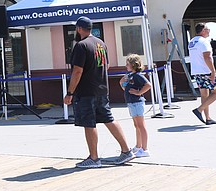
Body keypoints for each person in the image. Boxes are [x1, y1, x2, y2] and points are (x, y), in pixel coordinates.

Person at [63, 16, 134, 168]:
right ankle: (126, 150)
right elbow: (106, 66)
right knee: (108, 119)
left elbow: (77, 71)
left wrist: (70, 93)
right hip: (102, 89)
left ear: (79, 29)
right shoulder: (101, 44)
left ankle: (94, 158)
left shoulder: (81, 45)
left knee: (89, 123)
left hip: (86, 91)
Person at [120, 54, 151, 157]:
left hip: (137, 102)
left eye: (128, 64)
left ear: (133, 64)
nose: (126, 66)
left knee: (141, 125)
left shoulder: (138, 75)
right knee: (136, 125)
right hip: (131, 102)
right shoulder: (130, 75)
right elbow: (125, 88)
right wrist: (122, 83)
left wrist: (139, 92)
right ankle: (138, 145)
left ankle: (145, 148)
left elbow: (148, 85)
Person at [190, 23, 216, 125]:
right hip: (206, 71)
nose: (209, 31)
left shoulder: (192, 42)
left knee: (204, 95)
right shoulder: (204, 42)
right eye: (207, 29)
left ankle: (207, 118)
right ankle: (199, 110)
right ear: (203, 30)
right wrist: (213, 71)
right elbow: (207, 57)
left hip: (197, 72)